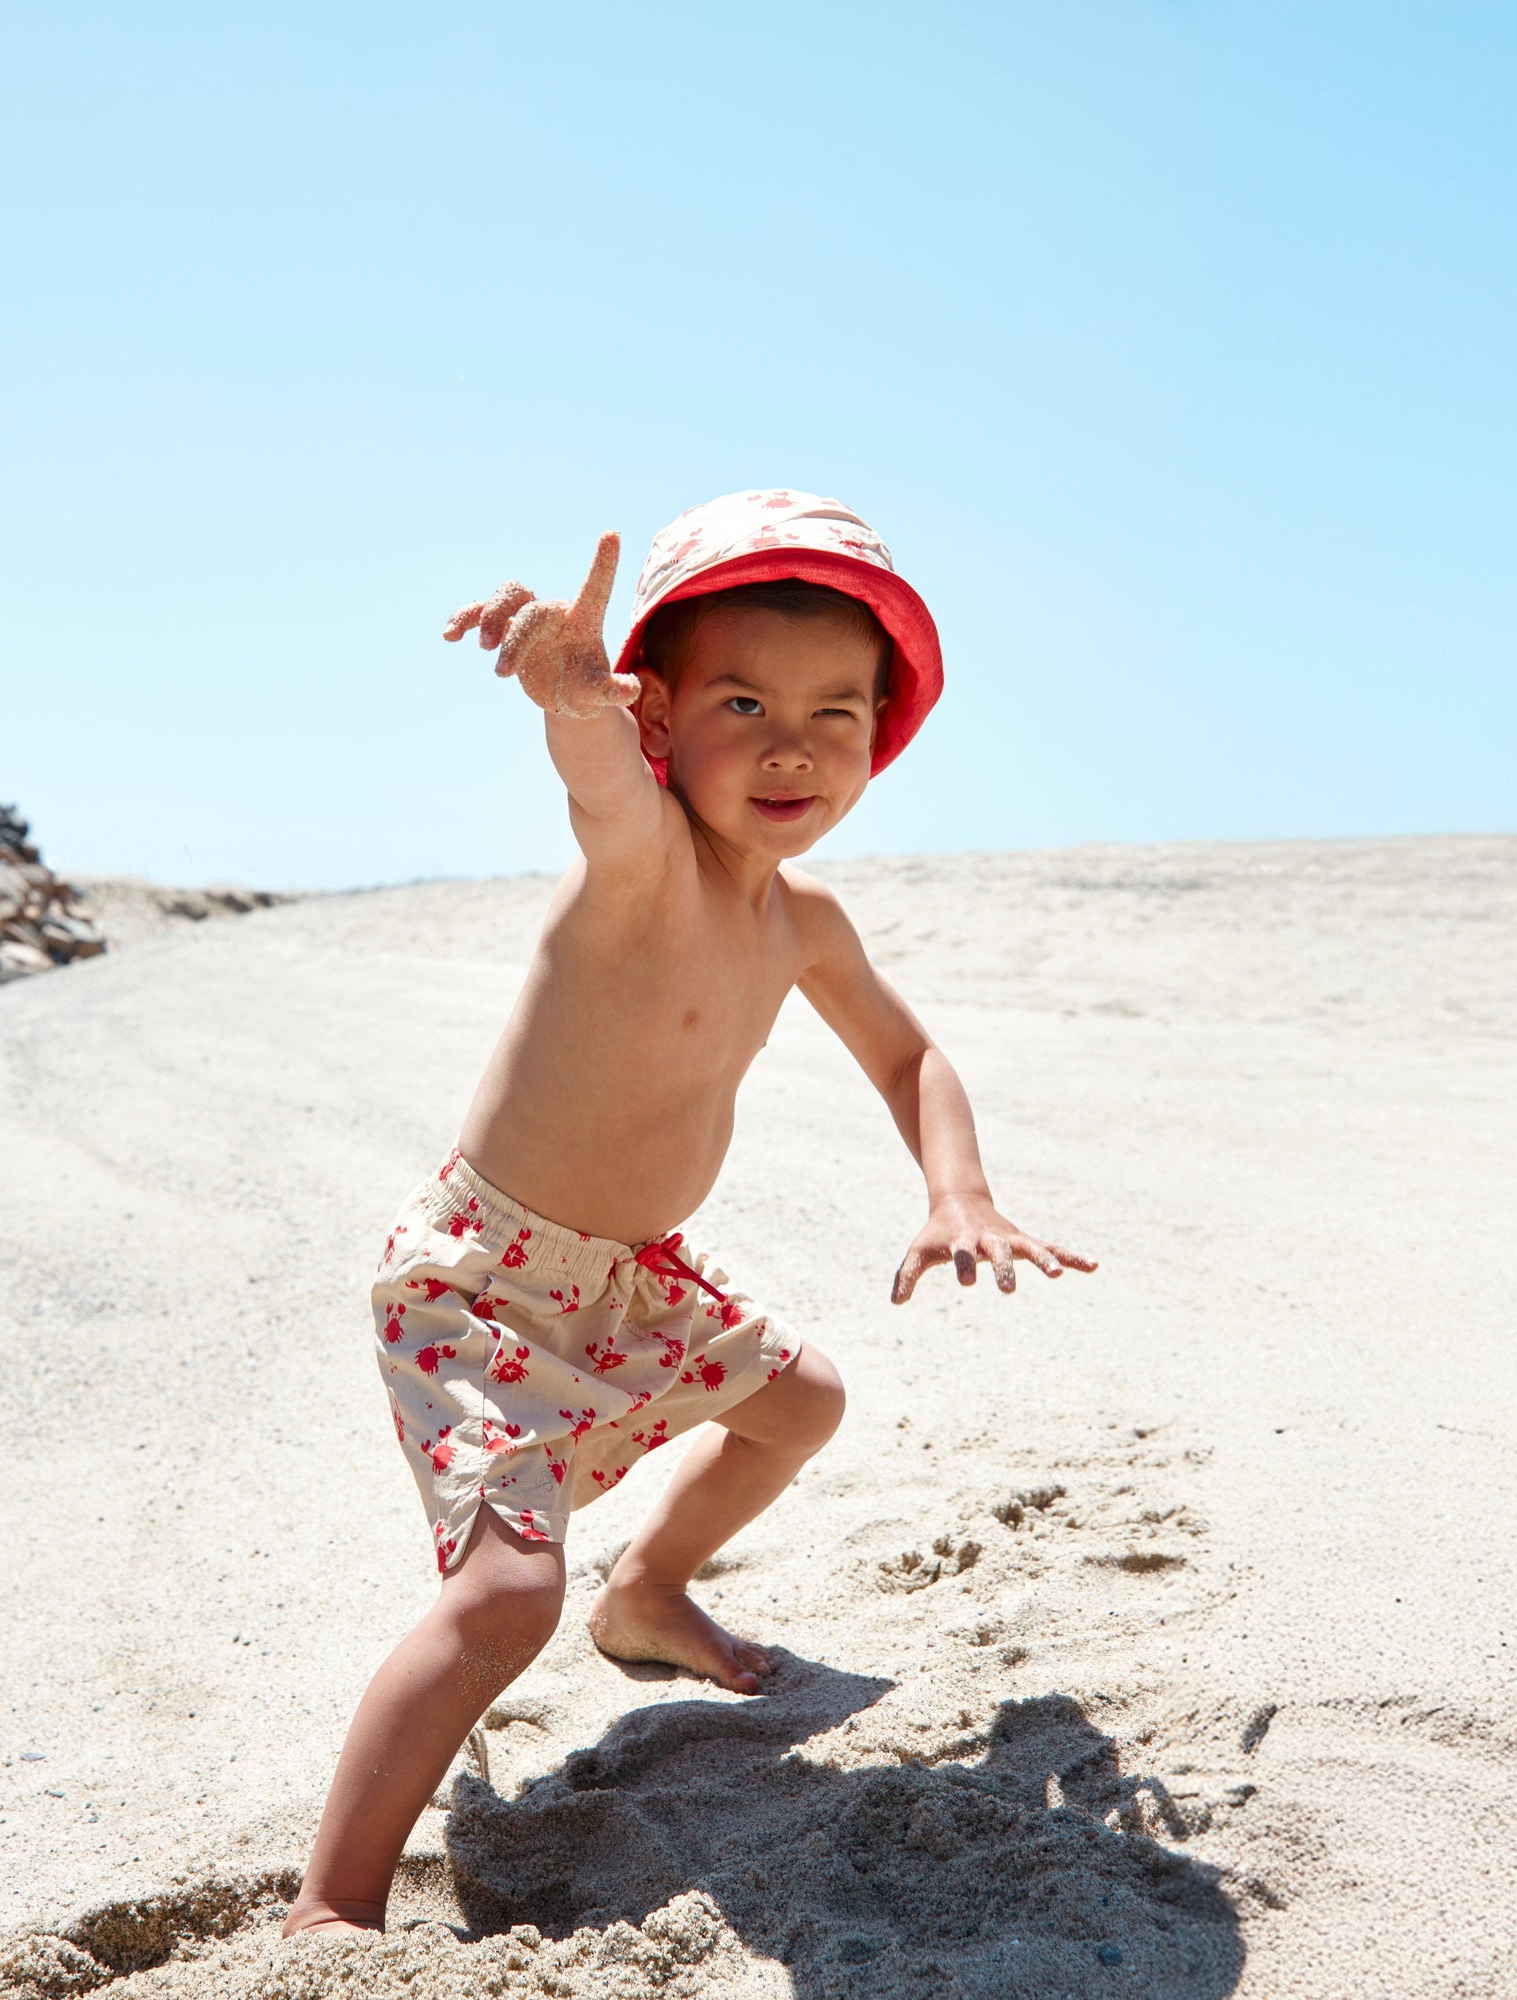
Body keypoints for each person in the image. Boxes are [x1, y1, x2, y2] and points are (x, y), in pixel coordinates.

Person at [282, 489, 1095, 1935]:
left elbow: (911, 1057)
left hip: (632, 1276)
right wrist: (571, 695)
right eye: (742, 701)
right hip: (482, 1281)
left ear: (877, 739)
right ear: (660, 714)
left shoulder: (807, 923)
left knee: (804, 1402)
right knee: (503, 1602)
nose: (793, 744)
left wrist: (957, 1187)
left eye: (836, 712)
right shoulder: (642, 855)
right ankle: (333, 1905)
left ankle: (648, 1595)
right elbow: (595, 777)